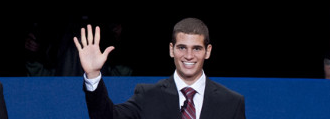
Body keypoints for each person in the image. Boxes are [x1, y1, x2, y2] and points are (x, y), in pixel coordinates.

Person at [74, 18, 245, 119]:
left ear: (207, 51)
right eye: (182, 47)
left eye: (197, 48)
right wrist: (93, 74)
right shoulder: (147, 96)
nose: (189, 55)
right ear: (172, 49)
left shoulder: (231, 102)